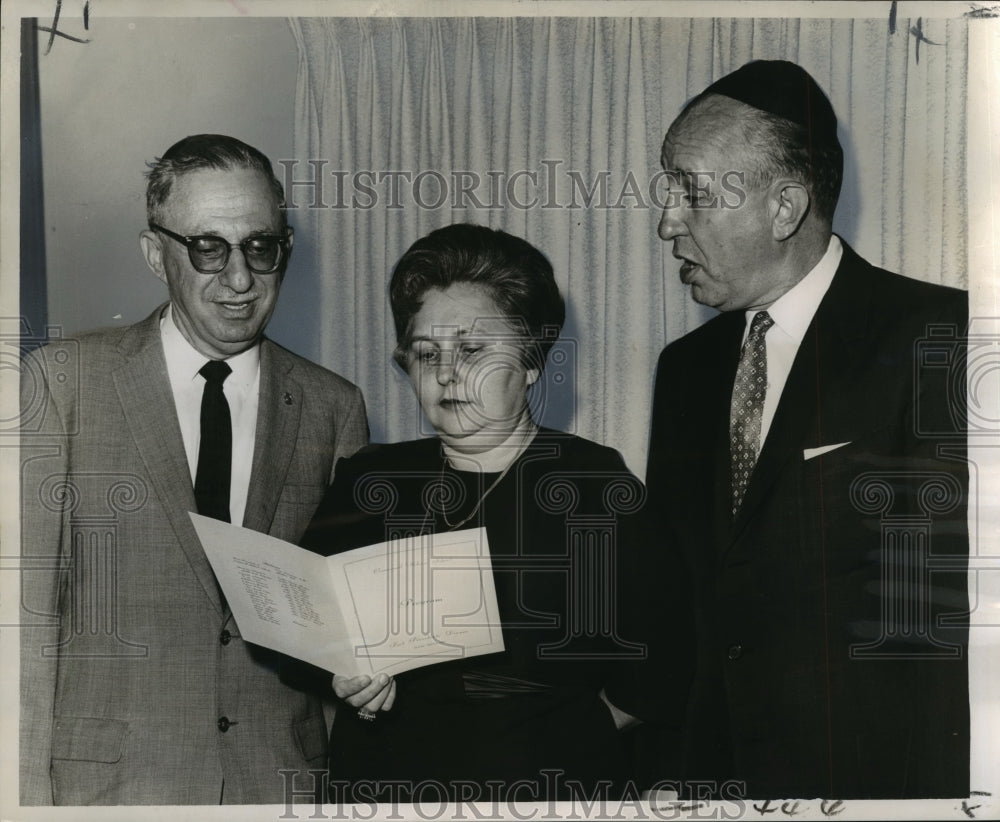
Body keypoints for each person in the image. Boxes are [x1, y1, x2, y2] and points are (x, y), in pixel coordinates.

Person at [646, 60, 970, 799]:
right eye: (670, 190)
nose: (667, 220)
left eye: (692, 193)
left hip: (881, 787)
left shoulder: (942, 337)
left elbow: (954, 616)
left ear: (785, 206)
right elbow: (680, 599)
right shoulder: (685, 371)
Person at [18, 134, 368, 805]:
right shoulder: (61, 384)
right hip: (110, 791)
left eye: (260, 246)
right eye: (209, 248)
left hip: (279, 788)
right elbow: (24, 626)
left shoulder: (334, 407)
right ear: (157, 255)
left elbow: (338, 633)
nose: (239, 279)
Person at [296, 223, 681, 803]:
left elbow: (663, 672)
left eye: (473, 350)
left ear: (531, 361)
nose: (447, 374)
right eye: (427, 354)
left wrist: (558, 742)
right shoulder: (370, 480)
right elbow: (296, 630)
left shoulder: (595, 484)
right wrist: (338, 674)